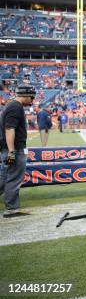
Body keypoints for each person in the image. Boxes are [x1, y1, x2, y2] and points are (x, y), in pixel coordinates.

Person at [0, 85, 36, 218]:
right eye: (31, 97)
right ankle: (12, 208)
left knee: (4, 177)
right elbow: (9, 129)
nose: (32, 100)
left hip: (9, 150)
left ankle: (11, 207)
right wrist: (12, 151)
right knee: (14, 178)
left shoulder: (12, 106)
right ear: (25, 95)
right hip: (14, 150)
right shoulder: (15, 107)